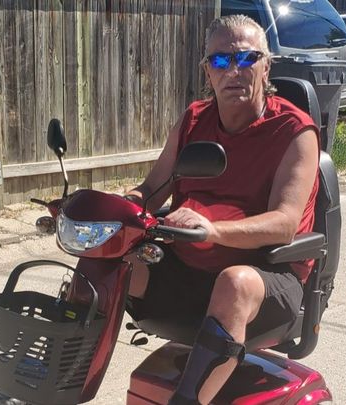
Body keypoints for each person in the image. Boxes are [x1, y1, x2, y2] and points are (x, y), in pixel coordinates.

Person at [123, 14, 321, 405]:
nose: (233, 70)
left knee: (234, 282)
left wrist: (212, 229)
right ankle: (54, 384)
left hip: (266, 276)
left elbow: (284, 224)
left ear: (266, 66)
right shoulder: (193, 120)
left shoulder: (295, 131)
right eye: (220, 61)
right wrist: (117, 209)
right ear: (207, 72)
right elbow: (150, 190)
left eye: (246, 58)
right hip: (190, 269)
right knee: (111, 253)